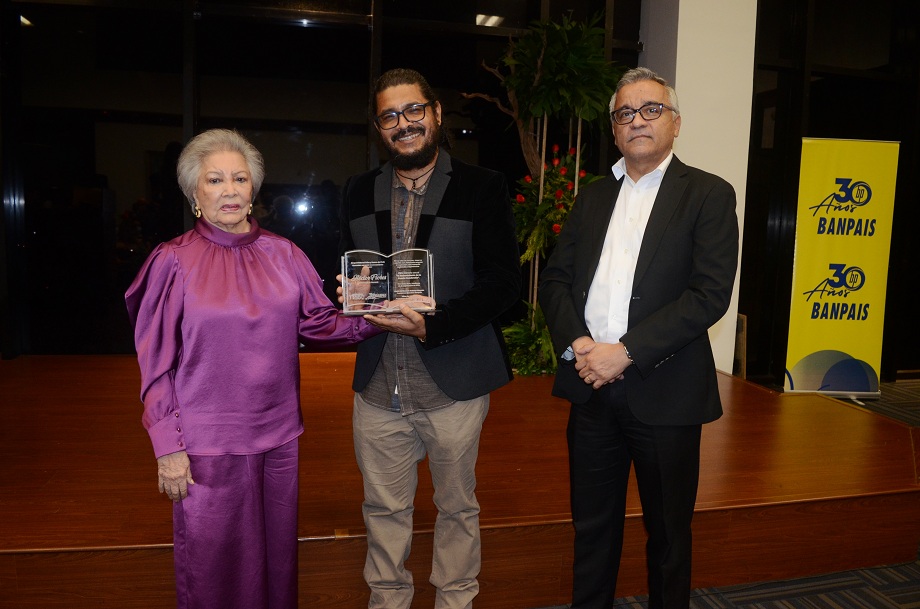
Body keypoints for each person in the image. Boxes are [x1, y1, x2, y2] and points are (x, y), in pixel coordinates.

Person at [125, 128, 381, 609]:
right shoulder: (173, 260)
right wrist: (166, 446)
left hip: (279, 437)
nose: (229, 190)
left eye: (239, 179)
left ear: (253, 189)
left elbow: (322, 325)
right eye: (215, 179)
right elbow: (154, 363)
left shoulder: (283, 254)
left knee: (274, 562)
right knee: (214, 570)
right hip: (207, 446)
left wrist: (369, 314)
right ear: (194, 192)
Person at [539, 67, 739, 609]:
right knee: (593, 528)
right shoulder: (592, 197)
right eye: (626, 113)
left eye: (651, 109)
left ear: (676, 123)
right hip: (590, 386)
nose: (638, 121)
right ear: (614, 128)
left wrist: (624, 353)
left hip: (666, 391)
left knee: (670, 535)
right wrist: (580, 344)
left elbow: (708, 295)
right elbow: (555, 280)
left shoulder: (708, 194)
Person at [338, 68, 522, 609]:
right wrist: (351, 291)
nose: (404, 124)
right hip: (378, 385)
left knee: (457, 507)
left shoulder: (482, 187)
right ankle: (388, 602)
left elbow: (504, 283)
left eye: (414, 110)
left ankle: (456, 602)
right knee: (383, 509)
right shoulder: (357, 191)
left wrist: (434, 325)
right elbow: (348, 271)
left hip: (454, 383)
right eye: (390, 116)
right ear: (380, 127)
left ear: (436, 114)